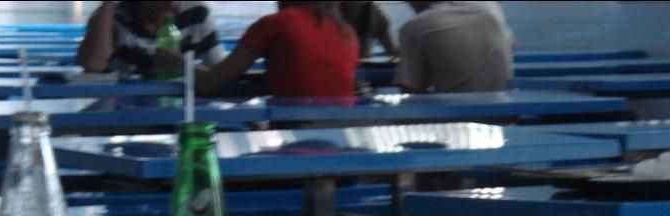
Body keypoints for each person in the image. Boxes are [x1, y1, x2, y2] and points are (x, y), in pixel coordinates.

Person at [196, 1, 359, 99]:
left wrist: (183, 65)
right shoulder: (347, 32)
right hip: (343, 135)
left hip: (296, 133)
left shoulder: (276, 24)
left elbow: (209, 83)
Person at [77, 1, 224, 77]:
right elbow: (93, 65)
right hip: (122, 115)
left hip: (181, 113)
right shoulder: (113, 15)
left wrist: (182, 66)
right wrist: (108, 5)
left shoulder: (197, 13)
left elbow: (219, 74)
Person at [395, 1, 513, 93]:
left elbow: (410, 91)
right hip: (507, 111)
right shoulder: (491, 8)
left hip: (456, 114)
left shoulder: (415, 27)